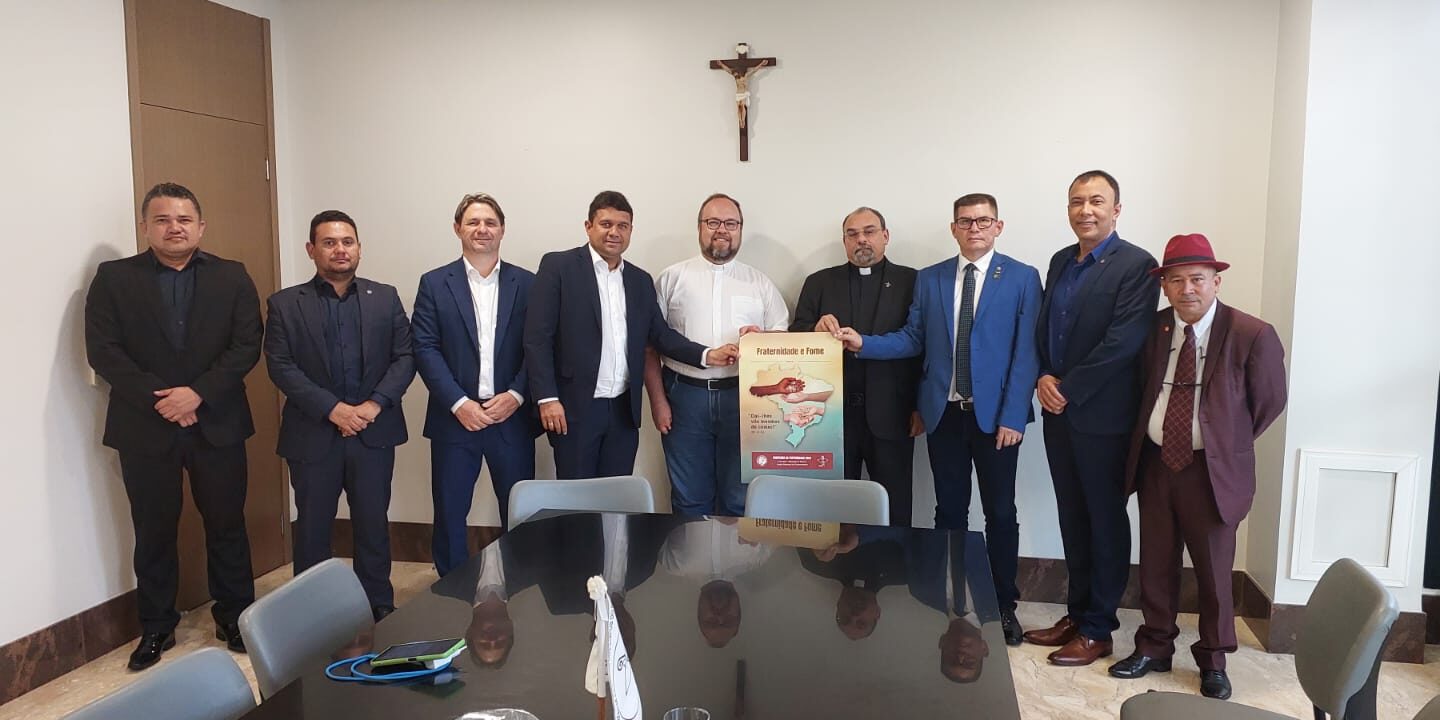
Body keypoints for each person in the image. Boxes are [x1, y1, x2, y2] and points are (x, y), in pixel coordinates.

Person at [834, 193, 1041, 645]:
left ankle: (1003, 604)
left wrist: (1013, 416)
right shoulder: (931, 279)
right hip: (944, 415)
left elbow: (1026, 352)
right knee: (948, 510)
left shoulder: (1023, 278)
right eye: (965, 221)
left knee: (1000, 512)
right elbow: (912, 338)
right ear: (953, 228)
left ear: (998, 226)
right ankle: (955, 596)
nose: (974, 229)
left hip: (997, 421)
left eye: (983, 221)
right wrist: (864, 343)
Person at [85, 182, 261, 670]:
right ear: (145, 227)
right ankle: (157, 627)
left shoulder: (232, 276)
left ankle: (235, 617)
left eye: (183, 219)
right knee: (153, 530)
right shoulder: (114, 278)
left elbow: (247, 345)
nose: (174, 228)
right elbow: (103, 351)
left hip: (217, 422)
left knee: (227, 524)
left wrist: (197, 393)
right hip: (145, 426)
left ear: (201, 227)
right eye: (162, 219)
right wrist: (162, 400)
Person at [1107, 234, 1287, 700]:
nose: (1187, 289)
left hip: (1212, 471)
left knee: (1213, 570)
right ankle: (1154, 647)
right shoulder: (1155, 328)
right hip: (1156, 464)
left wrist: (1223, 442)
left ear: (1216, 282)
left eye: (1197, 279)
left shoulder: (1251, 334)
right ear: (1164, 285)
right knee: (1156, 562)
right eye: (1176, 280)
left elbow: (1269, 402)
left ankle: (1213, 660)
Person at [1023, 170, 1159, 666]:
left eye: (1097, 201)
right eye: (1077, 201)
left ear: (1116, 209)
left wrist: (1067, 389)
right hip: (1059, 414)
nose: (1086, 210)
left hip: (1103, 418)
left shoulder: (1137, 265)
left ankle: (1100, 628)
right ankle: (1077, 616)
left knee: (1104, 521)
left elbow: (1124, 342)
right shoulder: (1061, 261)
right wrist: (1043, 375)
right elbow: (1045, 328)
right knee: (1072, 517)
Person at [263, 210, 414, 620]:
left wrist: (373, 405)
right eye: (329, 242)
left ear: (359, 248)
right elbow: (281, 366)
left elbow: (405, 357)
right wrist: (333, 410)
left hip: (373, 431)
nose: (340, 249)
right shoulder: (285, 304)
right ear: (311, 250)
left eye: (347, 241)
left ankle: (377, 604)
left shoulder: (385, 297)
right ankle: (313, 613)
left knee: (372, 523)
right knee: (313, 529)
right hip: (313, 434)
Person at [524, 191, 738, 479]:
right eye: (606, 224)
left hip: (623, 412)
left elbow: (661, 336)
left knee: (617, 495)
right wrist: (547, 398)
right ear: (588, 226)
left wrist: (707, 355)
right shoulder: (559, 267)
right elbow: (537, 339)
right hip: (575, 409)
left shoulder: (639, 280)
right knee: (576, 498)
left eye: (622, 226)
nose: (614, 232)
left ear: (631, 231)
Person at [412, 193, 537, 570]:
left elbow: (539, 346)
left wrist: (516, 394)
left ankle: (520, 586)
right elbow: (424, 347)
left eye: (490, 223)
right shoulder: (434, 283)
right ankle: (451, 593)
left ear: (502, 230)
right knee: (450, 513)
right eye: (473, 222)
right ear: (457, 229)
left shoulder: (528, 283)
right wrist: (458, 403)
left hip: (511, 418)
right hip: (455, 418)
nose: (482, 229)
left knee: (519, 513)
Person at [644, 193, 789, 516]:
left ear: (740, 230)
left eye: (731, 223)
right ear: (699, 227)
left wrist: (761, 340)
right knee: (689, 500)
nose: (722, 230)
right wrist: (657, 401)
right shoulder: (671, 279)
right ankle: (692, 552)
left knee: (740, 499)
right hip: (684, 398)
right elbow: (650, 345)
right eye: (713, 222)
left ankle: (734, 553)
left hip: (745, 400)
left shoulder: (760, 283)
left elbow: (782, 342)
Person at [793, 206, 921, 526]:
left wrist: (920, 408)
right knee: (833, 511)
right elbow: (795, 340)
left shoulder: (912, 281)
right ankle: (837, 561)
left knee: (894, 508)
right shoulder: (819, 283)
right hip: (830, 420)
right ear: (844, 241)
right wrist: (814, 330)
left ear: (885, 236)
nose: (861, 239)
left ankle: (892, 561)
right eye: (852, 234)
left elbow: (922, 346)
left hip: (893, 415)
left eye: (869, 231)